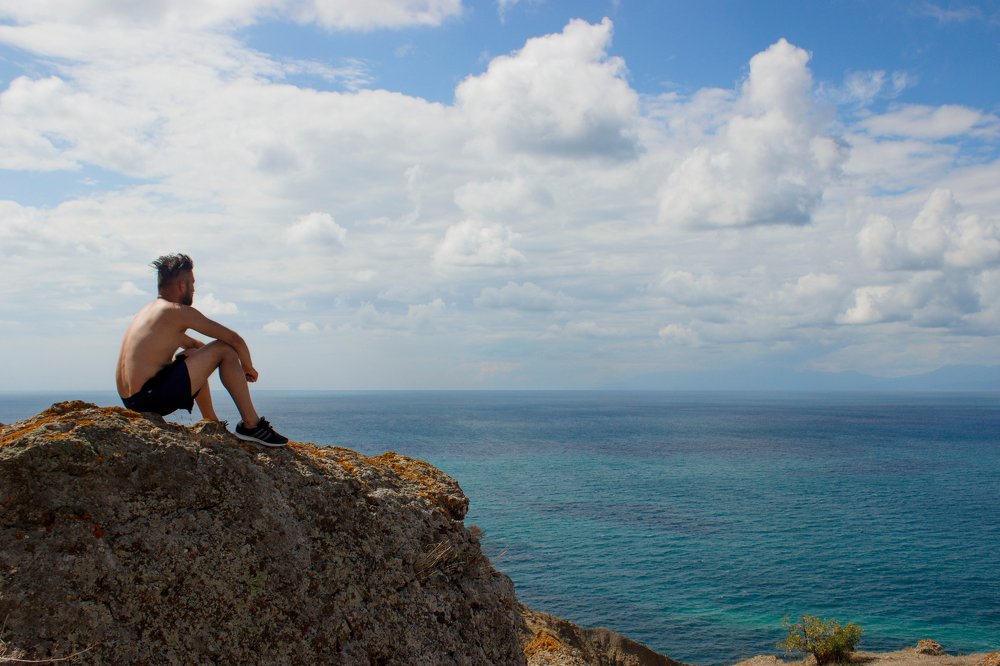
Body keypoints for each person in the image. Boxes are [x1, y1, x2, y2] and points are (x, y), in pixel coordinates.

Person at [115, 253, 288, 447]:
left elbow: (194, 346)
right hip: (151, 398)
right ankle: (251, 424)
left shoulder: (148, 313)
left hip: (132, 400)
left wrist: (211, 360)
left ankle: (210, 421)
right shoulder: (176, 311)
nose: (194, 289)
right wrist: (247, 367)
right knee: (225, 349)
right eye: (192, 283)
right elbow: (234, 340)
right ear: (182, 285)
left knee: (194, 353)